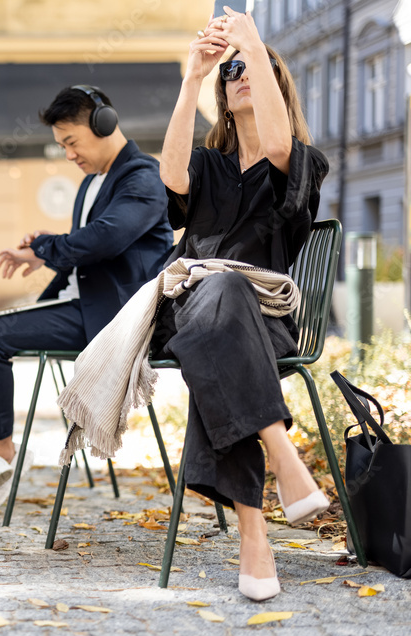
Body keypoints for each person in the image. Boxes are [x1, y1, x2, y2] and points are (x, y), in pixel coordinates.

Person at [0, 85, 174, 516]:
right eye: (61, 145)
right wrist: (43, 256)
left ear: (104, 125)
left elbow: (105, 239)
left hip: (113, 321)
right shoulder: (90, 185)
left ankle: (3, 456)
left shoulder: (144, 177)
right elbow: (84, 250)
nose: (68, 155)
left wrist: (44, 246)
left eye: (71, 142)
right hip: (82, 308)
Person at [156, 7, 330, 601]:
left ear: (278, 85)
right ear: (223, 97)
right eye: (230, 72)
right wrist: (192, 79)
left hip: (267, 320)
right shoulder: (208, 165)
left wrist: (254, 42)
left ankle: (254, 534)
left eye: (251, 67)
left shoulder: (301, 162)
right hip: (188, 309)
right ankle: (283, 455)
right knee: (216, 298)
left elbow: (279, 142)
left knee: (223, 330)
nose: (239, 74)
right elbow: (172, 175)